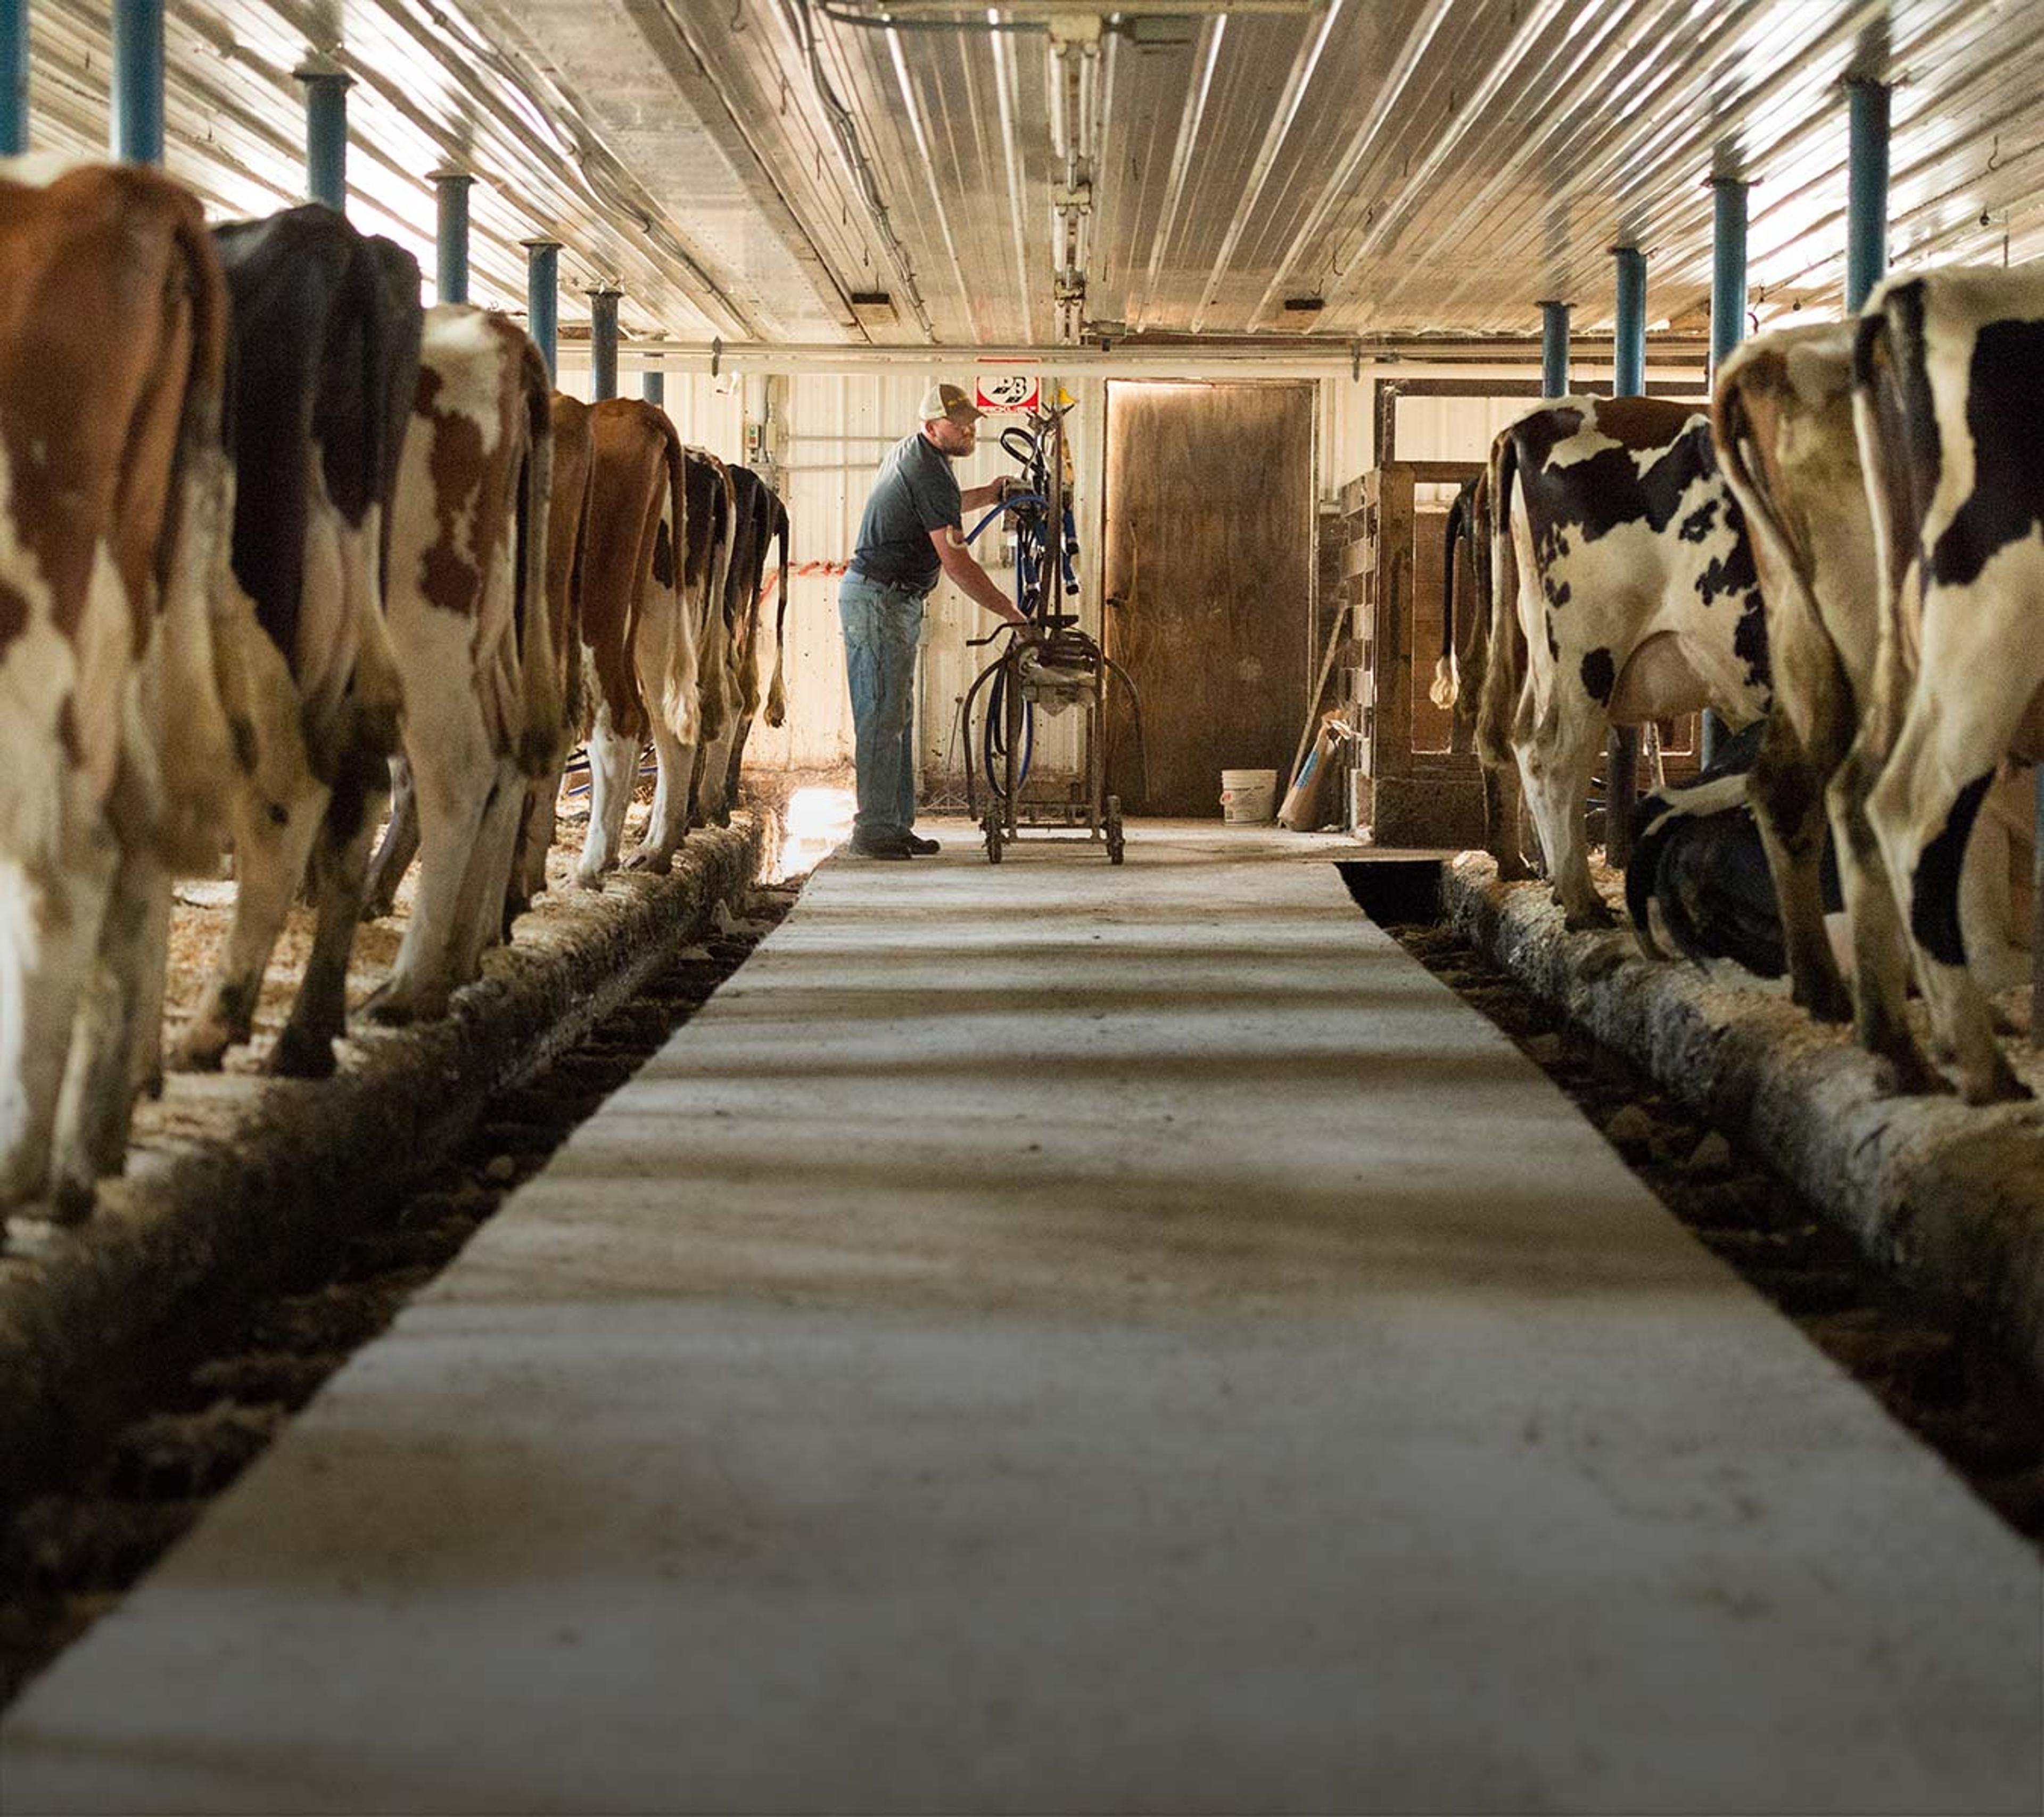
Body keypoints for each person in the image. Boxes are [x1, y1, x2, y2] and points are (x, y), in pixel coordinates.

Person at [839, 382, 1033, 859]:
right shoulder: (928, 468)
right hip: (881, 600)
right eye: (958, 423)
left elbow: (938, 507)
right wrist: (1011, 613)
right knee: (883, 714)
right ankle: (875, 829)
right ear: (931, 427)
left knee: (894, 715)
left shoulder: (926, 460)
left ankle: (894, 824)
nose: (970, 429)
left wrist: (988, 495)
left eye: (971, 421)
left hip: (892, 600)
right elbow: (957, 562)